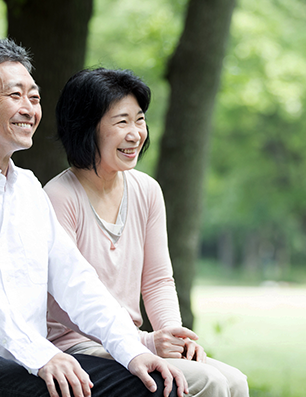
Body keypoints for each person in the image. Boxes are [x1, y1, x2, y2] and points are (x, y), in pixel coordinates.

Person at [0, 39, 187, 397]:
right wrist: (40, 354)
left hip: (31, 362)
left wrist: (132, 349)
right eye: (15, 95)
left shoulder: (29, 189)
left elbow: (76, 280)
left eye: (34, 97)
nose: (29, 108)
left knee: (157, 386)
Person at [43, 68, 249, 397]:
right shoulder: (58, 198)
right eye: (121, 121)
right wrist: (147, 341)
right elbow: (68, 303)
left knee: (235, 380)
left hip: (134, 343)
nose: (136, 133)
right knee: (207, 383)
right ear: (86, 127)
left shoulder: (147, 190)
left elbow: (157, 281)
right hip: (80, 347)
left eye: (139, 120)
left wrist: (173, 336)